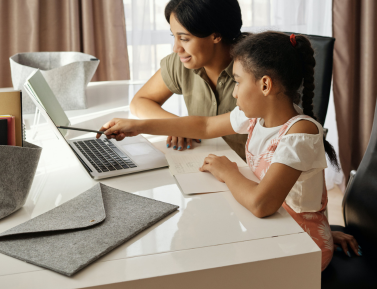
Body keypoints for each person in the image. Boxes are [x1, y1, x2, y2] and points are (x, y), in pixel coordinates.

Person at [98, 31, 361, 270]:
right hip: (279, 228)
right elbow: (204, 124)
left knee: (205, 259)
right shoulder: (258, 118)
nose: (234, 93)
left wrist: (228, 172)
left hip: (300, 250)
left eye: (237, 82)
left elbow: (261, 204)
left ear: (265, 85)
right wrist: (138, 126)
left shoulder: (299, 134)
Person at [129, 0, 247, 159]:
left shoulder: (256, 70)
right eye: (174, 36)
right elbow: (139, 102)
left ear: (216, 36)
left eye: (184, 38)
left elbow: (205, 127)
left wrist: (181, 126)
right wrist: (177, 125)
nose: (176, 48)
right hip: (205, 165)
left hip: (253, 174)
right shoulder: (183, 62)